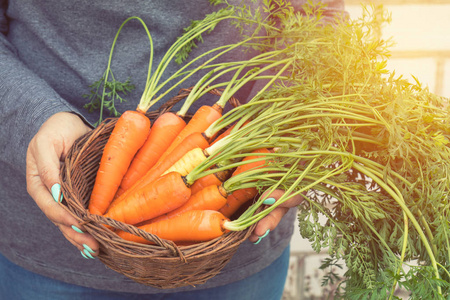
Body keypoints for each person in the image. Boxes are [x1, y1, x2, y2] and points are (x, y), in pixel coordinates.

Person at [0, 1, 346, 299]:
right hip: (48, 241)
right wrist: (31, 117)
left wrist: (285, 128)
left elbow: (317, 15)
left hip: (236, 235)